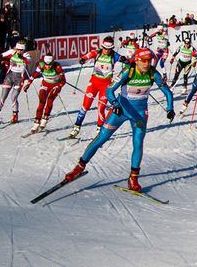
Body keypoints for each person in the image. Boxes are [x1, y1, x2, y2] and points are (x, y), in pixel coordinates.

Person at [62, 48, 175, 193]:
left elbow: (167, 92)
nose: (147, 64)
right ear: (137, 60)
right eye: (144, 61)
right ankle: (79, 167)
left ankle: (133, 178)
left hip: (139, 114)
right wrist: (115, 104)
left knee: (138, 142)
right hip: (121, 110)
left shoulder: (153, 73)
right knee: (102, 137)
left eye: (149, 60)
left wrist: (170, 108)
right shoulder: (129, 71)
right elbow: (110, 90)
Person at [69, 37, 127, 139]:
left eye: (109, 49)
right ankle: (76, 127)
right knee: (85, 106)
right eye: (105, 48)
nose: (107, 51)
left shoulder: (114, 55)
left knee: (101, 108)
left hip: (105, 85)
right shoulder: (97, 53)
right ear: (102, 47)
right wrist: (82, 59)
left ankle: (99, 130)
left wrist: (125, 60)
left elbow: (126, 61)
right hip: (94, 83)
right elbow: (85, 56)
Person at [0, 40, 32, 123]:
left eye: (21, 50)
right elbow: (2, 55)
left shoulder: (26, 55)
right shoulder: (12, 52)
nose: (18, 51)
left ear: (24, 50)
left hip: (19, 78)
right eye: (17, 49)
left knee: (13, 97)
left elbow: (29, 61)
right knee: (3, 96)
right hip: (10, 76)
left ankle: (15, 116)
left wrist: (22, 58)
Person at [24, 53, 66, 134]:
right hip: (45, 84)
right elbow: (34, 75)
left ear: (53, 62)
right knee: (41, 102)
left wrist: (59, 86)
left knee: (50, 100)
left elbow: (63, 80)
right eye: (46, 64)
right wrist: (28, 84)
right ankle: (36, 122)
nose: (48, 66)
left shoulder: (57, 67)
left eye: (50, 64)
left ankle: (45, 118)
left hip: (55, 86)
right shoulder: (41, 65)